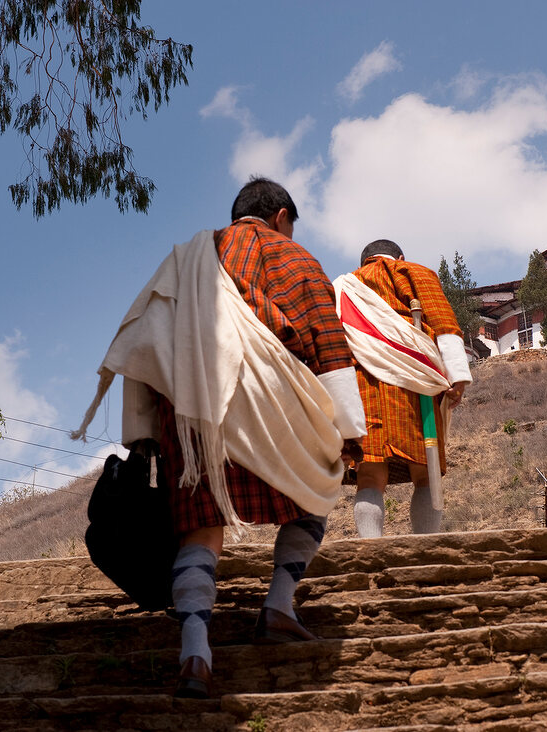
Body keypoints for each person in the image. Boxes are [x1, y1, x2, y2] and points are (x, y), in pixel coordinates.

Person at [72, 177, 366, 699]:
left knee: (200, 528)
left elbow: (147, 337)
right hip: (277, 403)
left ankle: (194, 653)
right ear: (279, 216)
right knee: (314, 491)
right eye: (291, 226)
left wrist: (142, 436)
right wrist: (347, 432)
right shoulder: (297, 261)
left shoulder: (187, 259)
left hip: (194, 411)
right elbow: (328, 338)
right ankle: (278, 605)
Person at [334, 239, 472, 538]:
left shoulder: (344, 286)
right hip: (413, 382)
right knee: (426, 472)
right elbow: (444, 324)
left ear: (363, 262)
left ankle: (371, 547)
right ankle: (425, 544)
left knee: (369, 475)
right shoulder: (413, 272)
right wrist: (458, 375)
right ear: (400, 256)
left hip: (361, 384)